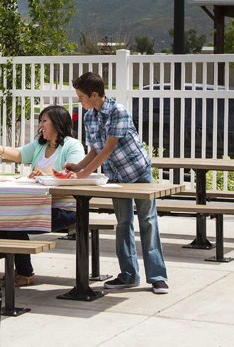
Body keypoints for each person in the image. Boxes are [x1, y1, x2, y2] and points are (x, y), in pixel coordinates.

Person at [65, 72, 169, 295]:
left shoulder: (118, 111)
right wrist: (78, 167)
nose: (79, 101)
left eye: (82, 97)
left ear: (95, 95)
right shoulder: (89, 117)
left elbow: (109, 148)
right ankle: (129, 275)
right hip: (117, 176)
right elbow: (94, 149)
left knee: (148, 221)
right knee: (123, 223)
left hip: (137, 171)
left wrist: (84, 175)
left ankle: (158, 277)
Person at [0, 105, 85, 287]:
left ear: (57, 123)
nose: (41, 126)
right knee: (0, 221)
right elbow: (19, 154)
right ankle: (15, 268)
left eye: (44, 121)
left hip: (64, 208)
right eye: (40, 121)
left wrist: (47, 176)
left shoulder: (73, 146)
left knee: (14, 224)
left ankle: (25, 273)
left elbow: (71, 175)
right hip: (38, 205)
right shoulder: (40, 145)